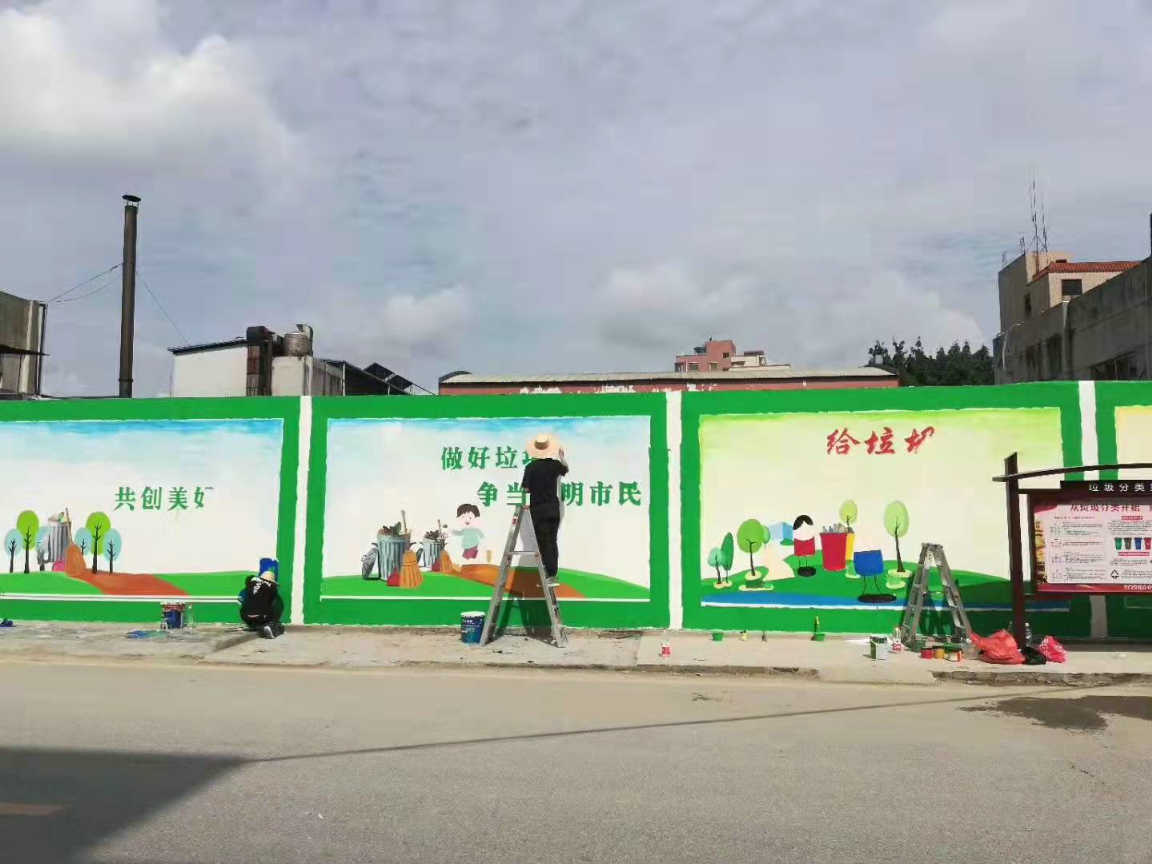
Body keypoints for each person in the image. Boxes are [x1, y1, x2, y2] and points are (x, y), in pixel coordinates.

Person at [521, 433, 568, 586]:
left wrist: (525, 504)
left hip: (539, 510)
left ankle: (550, 575)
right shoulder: (555, 465)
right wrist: (561, 456)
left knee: (543, 543)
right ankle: (552, 574)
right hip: (553, 509)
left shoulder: (530, 467)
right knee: (552, 541)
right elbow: (565, 469)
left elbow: (525, 489)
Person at [239, 557, 284, 638]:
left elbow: (248, 580)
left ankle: (254, 626)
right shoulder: (272, 588)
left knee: (249, 604)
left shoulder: (251, 583)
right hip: (262, 617)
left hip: (245, 616)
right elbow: (270, 604)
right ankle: (269, 626)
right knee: (275, 605)